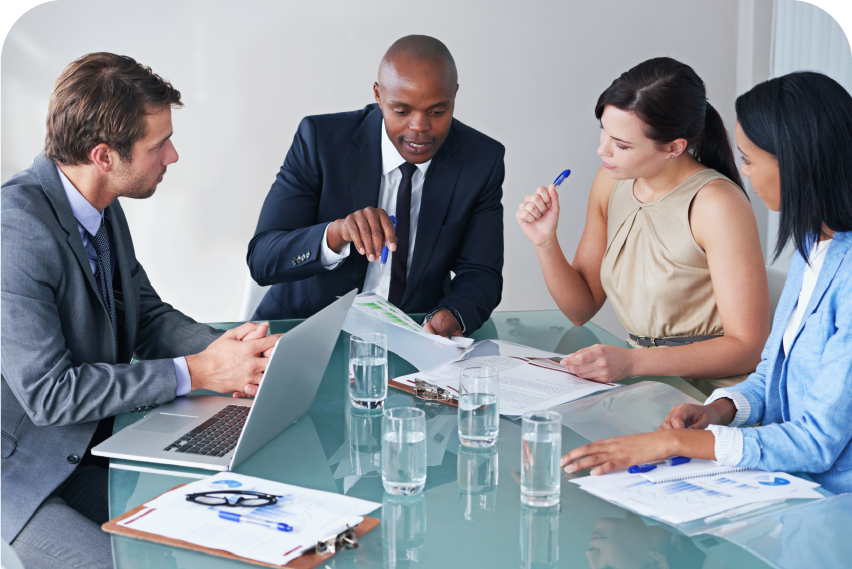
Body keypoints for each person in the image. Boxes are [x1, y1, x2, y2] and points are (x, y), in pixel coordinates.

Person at [0, 53, 280, 568]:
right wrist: (198, 371)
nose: (173, 155)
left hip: (91, 452)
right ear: (104, 156)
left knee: (213, 534)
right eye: (158, 145)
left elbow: (146, 317)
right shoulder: (15, 233)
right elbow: (50, 395)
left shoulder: (99, 206)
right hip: (21, 476)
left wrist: (237, 354)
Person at [561, 72, 852, 495]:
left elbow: (816, 442)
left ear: (796, 164)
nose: (744, 174)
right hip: (781, 475)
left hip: (829, 497)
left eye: (749, 160)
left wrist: (679, 442)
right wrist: (720, 410)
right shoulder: (815, 246)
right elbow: (773, 374)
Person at [517, 57, 769, 393]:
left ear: (674, 147)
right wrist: (545, 242)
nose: (602, 150)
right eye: (603, 131)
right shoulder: (610, 182)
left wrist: (633, 362)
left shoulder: (717, 205)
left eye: (621, 145)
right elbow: (580, 309)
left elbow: (748, 349)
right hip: (639, 383)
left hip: (709, 393)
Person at [247, 35, 504, 338]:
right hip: (302, 330)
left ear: (454, 95)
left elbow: (481, 272)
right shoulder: (320, 141)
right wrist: (337, 234)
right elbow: (262, 259)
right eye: (402, 111)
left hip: (412, 337)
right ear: (379, 96)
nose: (420, 127)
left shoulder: (480, 160)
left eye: (437, 111)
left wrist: (453, 314)